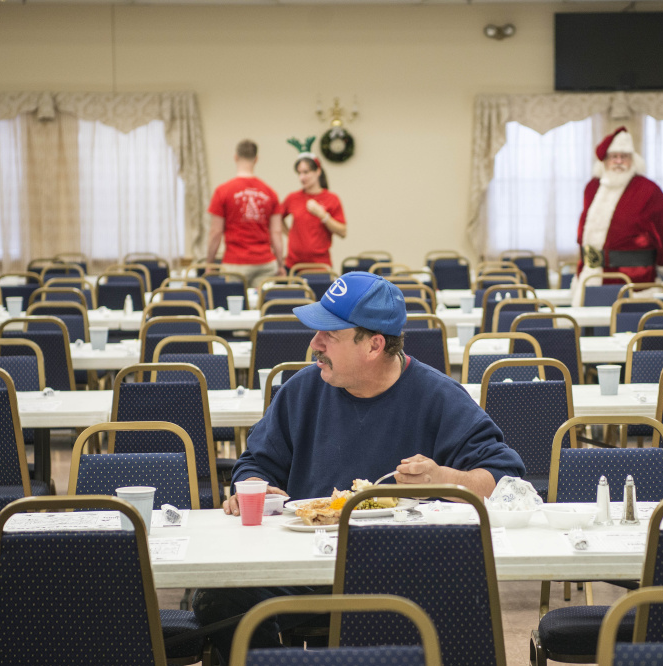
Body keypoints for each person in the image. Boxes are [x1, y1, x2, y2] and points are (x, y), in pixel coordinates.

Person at [192, 271, 525, 661]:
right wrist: (254, 484)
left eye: (329, 335)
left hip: (402, 568)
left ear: (374, 345)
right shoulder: (302, 390)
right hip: (307, 566)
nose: (314, 344)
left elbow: (506, 479)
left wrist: (443, 477)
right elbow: (255, 463)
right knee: (218, 600)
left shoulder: (437, 396)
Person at [570, 126, 663, 306]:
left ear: (633, 160)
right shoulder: (592, 188)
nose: (619, 161)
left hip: (634, 283)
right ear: (605, 161)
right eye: (614, 157)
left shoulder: (648, 190)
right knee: (591, 331)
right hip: (591, 278)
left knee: (631, 330)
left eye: (624, 157)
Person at [205, 139, 287, 285]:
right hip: (265, 263)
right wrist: (280, 265)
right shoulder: (270, 193)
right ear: (256, 159)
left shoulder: (222, 191)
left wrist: (209, 264)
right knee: (263, 306)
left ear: (235, 157)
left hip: (234, 264)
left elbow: (215, 232)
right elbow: (276, 233)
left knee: (234, 306)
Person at [276, 152, 347, 269]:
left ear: (318, 171)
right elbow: (277, 217)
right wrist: (290, 234)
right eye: (299, 173)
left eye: (306, 172)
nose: (301, 177)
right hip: (294, 265)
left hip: (321, 266)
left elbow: (343, 232)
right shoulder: (293, 198)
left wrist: (323, 215)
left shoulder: (331, 199)